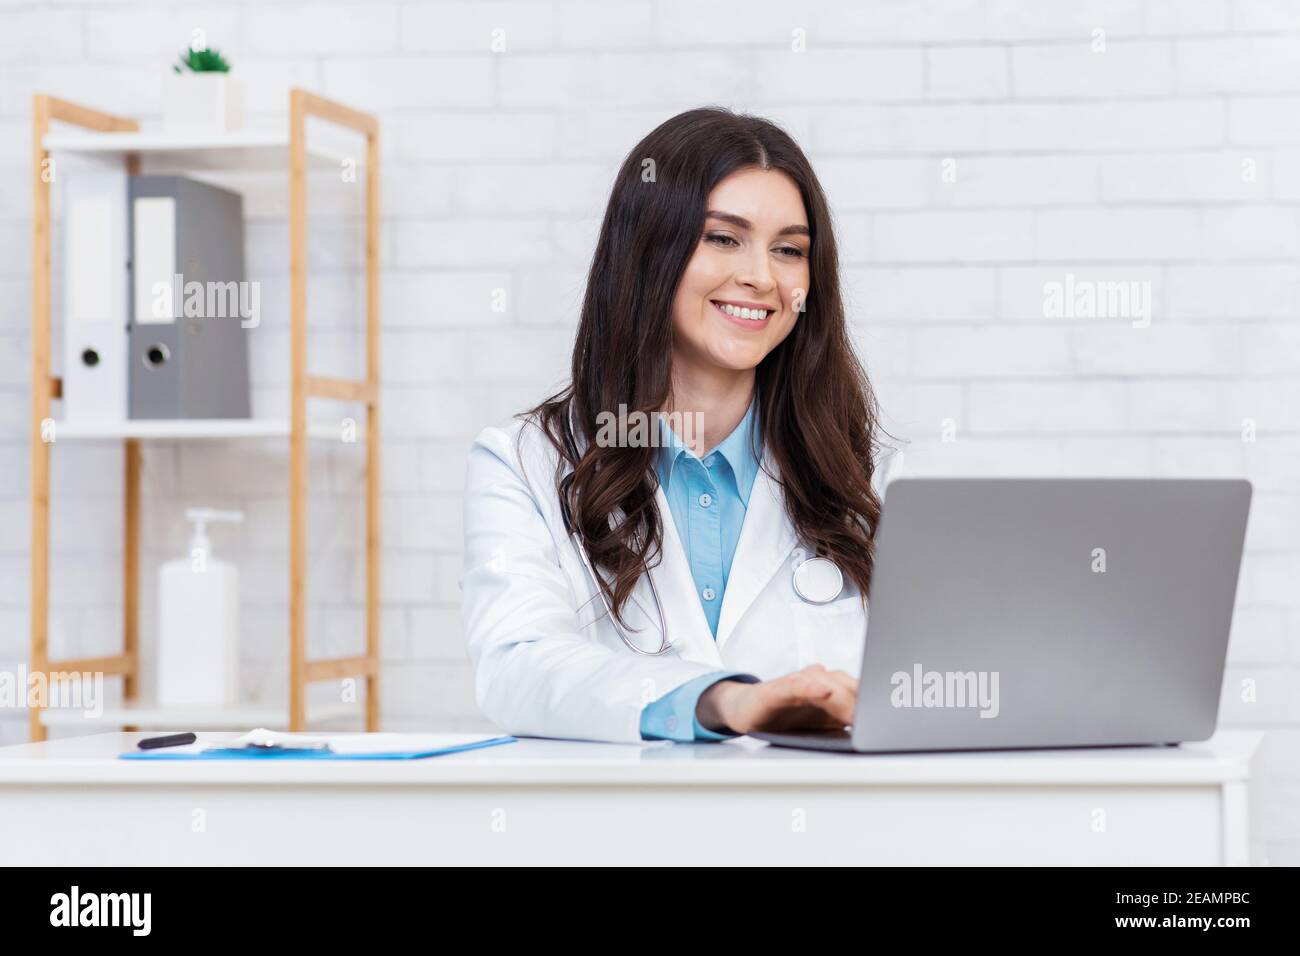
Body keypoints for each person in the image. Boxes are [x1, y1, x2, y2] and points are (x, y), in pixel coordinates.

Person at [461, 107, 900, 744]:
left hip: (824, 835)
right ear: (647, 252)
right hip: (626, 836)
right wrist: (722, 703)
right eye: (724, 238)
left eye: (789, 250)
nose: (761, 276)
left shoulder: (874, 480)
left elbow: (934, 681)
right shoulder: (526, 461)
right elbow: (516, 665)